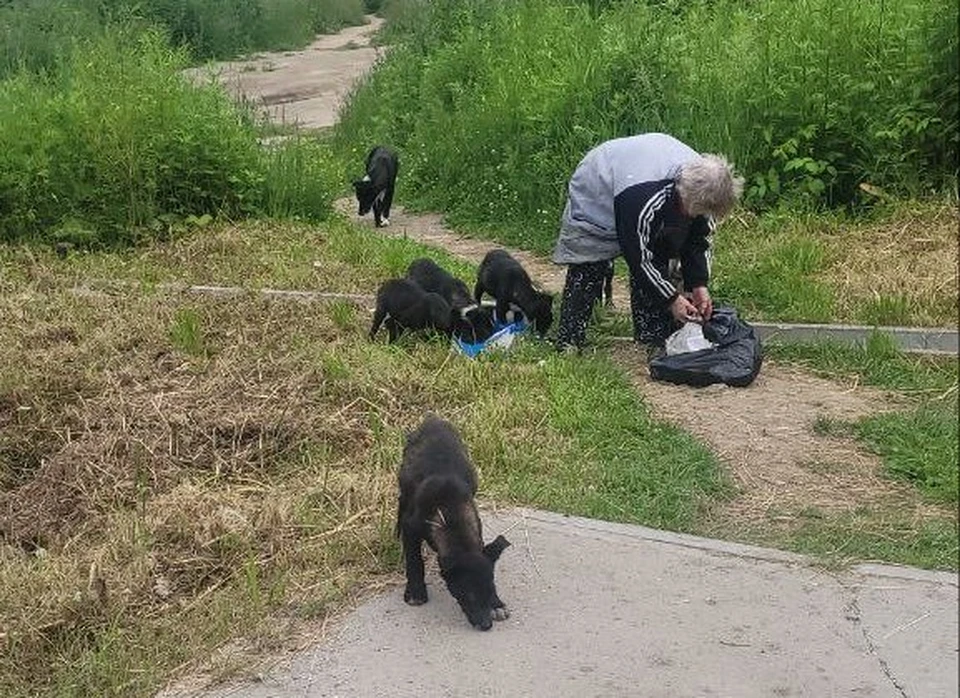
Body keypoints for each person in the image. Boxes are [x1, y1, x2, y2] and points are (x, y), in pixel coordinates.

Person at [552, 133, 743, 353]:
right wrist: (672, 299)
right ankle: (569, 340)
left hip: (645, 180)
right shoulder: (642, 196)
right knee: (589, 263)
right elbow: (638, 254)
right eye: (693, 211)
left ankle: (651, 335)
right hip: (599, 181)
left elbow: (697, 241)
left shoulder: (705, 189)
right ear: (683, 194)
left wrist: (698, 285)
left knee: (662, 249)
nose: (694, 216)